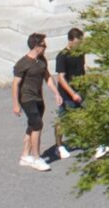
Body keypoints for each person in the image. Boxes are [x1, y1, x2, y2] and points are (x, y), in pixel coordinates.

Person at [43, 27, 88, 162]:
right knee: (62, 120)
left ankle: (96, 141)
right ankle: (59, 145)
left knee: (88, 115)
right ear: (71, 40)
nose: (79, 44)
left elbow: (82, 69)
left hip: (80, 90)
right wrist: (72, 93)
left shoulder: (80, 53)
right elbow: (61, 78)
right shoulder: (62, 56)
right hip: (67, 93)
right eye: (77, 41)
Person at [13, 32, 53, 170]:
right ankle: (36, 158)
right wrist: (16, 104)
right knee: (37, 125)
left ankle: (25, 156)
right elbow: (15, 84)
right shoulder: (22, 64)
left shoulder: (42, 60)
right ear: (36, 46)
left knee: (32, 125)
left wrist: (56, 92)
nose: (45, 47)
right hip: (27, 99)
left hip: (38, 97)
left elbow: (47, 76)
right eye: (43, 45)